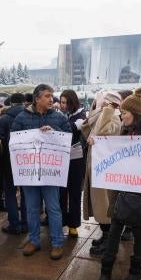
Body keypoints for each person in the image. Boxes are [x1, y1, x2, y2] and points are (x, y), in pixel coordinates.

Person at [97, 88, 141, 280]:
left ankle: (135, 273)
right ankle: (105, 271)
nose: (121, 115)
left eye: (124, 112)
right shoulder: (124, 131)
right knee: (115, 229)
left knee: (140, 232)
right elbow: (107, 145)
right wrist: (95, 142)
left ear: (134, 114)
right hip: (121, 191)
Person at [11, 84, 71, 260]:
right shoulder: (22, 117)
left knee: (53, 208)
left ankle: (57, 243)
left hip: (51, 172)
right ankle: (34, 240)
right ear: (37, 99)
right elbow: (13, 140)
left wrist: (55, 132)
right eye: (46, 96)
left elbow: (68, 138)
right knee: (31, 208)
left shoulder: (59, 118)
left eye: (52, 95)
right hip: (30, 172)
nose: (51, 99)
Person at [82, 90, 122, 255]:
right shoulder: (99, 115)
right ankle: (105, 235)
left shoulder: (112, 116)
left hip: (105, 168)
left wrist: (106, 111)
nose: (98, 104)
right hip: (96, 166)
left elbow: (103, 132)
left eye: (101, 101)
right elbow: (89, 133)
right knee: (99, 205)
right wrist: (95, 114)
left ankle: (109, 240)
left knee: (104, 205)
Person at [0, 93, 27, 235]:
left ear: (11, 104)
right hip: (26, 161)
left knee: (10, 192)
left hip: (8, 161)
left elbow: (0, 142)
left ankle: (14, 224)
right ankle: (26, 223)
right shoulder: (29, 117)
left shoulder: (3, 119)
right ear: (23, 103)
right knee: (26, 192)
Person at [59, 89, 87, 238]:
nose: (63, 105)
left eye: (66, 102)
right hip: (62, 159)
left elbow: (71, 128)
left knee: (75, 192)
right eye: (62, 102)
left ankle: (73, 225)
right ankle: (62, 220)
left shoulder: (81, 116)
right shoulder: (63, 114)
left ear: (72, 102)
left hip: (76, 160)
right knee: (61, 192)